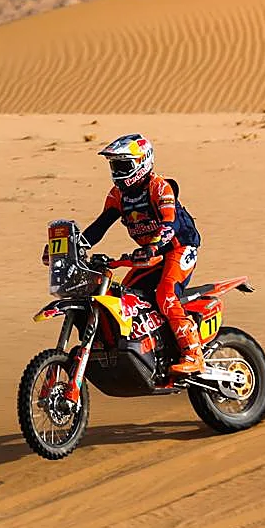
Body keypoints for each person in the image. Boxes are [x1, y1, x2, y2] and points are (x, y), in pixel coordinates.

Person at [83, 134, 204, 374]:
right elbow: (99, 226)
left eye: (123, 165)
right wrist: (75, 244)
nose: (117, 171)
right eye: (114, 166)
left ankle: (193, 353)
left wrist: (154, 245)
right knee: (125, 297)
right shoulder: (118, 195)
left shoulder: (160, 188)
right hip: (149, 256)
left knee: (166, 294)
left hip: (179, 248)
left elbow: (169, 223)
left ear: (142, 162)